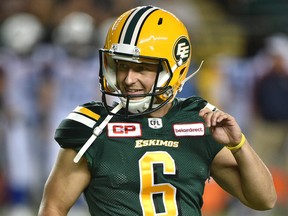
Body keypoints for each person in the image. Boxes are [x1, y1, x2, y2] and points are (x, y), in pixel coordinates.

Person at [38, 5, 276, 216]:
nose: (129, 79)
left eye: (141, 68)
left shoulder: (198, 120)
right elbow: (53, 208)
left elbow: (264, 200)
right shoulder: (92, 127)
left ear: (175, 69)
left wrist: (239, 145)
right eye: (122, 66)